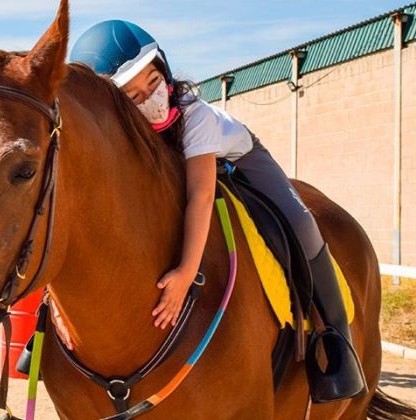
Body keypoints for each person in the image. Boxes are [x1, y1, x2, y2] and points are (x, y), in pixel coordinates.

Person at [67, 20, 367, 402]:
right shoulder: (123, 139)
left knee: (301, 221)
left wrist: (185, 274)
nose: (150, 98)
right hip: (175, 164)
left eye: (154, 81)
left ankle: (338, 342)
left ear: (166, 71)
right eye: (134, 96)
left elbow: (201, 197)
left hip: (238, 158)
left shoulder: (196, 116)